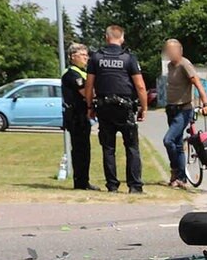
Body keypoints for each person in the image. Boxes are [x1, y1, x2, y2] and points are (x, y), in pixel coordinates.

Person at [85, 25, 147, 194]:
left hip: (104, 107)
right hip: (125, 108)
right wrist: (144, 107)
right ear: (122, 39)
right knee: (132, 147)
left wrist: (90, 106)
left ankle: (112, 185)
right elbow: (140, 86)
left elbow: (89, 85)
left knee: (108, 148)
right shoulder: (129, 58)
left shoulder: (96, 58)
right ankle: (135, 186)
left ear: (106, 38)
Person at [162, 39, 207, 188]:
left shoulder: (185, 64)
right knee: (177, 145)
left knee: (168, 140)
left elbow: (197, 82)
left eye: (173, 50)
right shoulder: (170, 66)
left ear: (180, 51)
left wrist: (206, 103)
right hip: (171, 109)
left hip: (183, 110)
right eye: (168, 51)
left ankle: (175, 170)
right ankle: (181, 179)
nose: (170, 54)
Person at [61, 43, 98, 191]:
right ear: (72, 57)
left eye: (86, 55)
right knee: (80, 150)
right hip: (76, 116)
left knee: (84, 149)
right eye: (82, 55)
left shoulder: (81, 72)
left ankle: (83, 180)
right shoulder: (72, 74)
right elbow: (86, 93)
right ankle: (81, 182)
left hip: (81, 115)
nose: (86, 58)